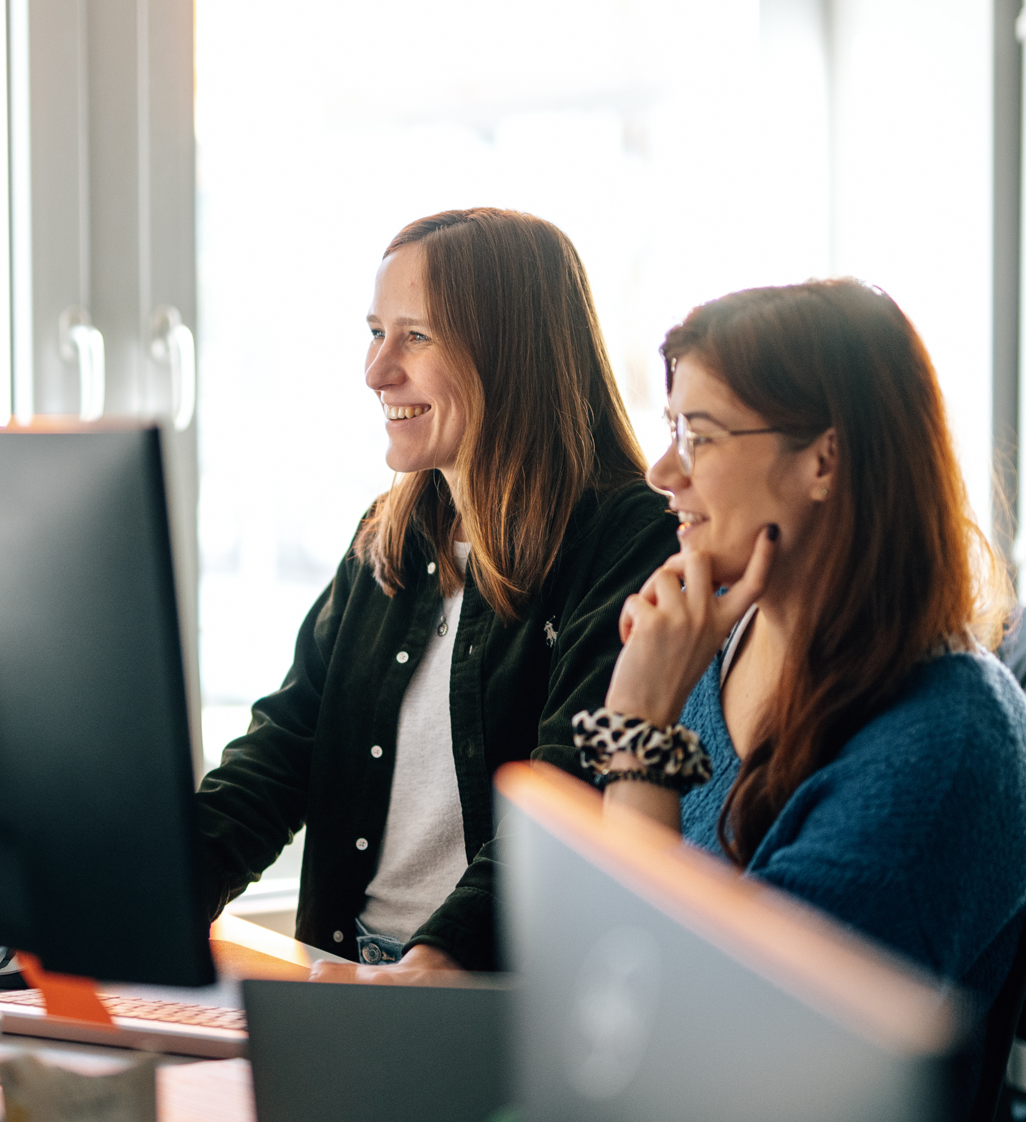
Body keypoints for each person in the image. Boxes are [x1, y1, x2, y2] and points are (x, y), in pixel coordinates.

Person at [196, 208, 678, 977]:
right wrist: (152, 896)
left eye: (415, 336)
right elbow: (283, 749)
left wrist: (435, 958)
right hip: (349, 975)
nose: (377, 370)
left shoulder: (627, 537)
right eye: (375, 331)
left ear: (508, 353)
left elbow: (563, 794)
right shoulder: (390, 531)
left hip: (485, 998)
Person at [583, 278, 1026, 1016]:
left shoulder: (948, 743)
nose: (662, 473)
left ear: (824, 461)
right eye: (671, 430)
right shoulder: (720, 642)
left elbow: (722, 1043)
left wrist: (639, 737)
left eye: (697, 436)